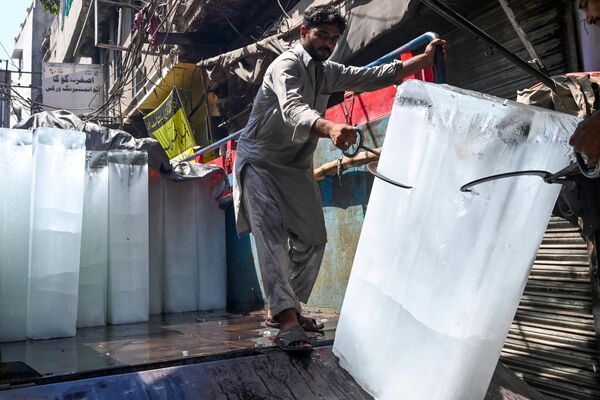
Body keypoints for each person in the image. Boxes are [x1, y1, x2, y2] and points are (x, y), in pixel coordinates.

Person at [233, 4, 446, 352]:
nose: (327, 43)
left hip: (294, 165)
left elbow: (367, 76)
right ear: (304, 33)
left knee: (314, 238)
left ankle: (286, 306)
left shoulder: (326, 70)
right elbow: (293, 109)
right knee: (271, 237)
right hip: (260, 162)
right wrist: (330, 126)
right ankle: (287, 318)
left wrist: (420, 62)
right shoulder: (285, 65)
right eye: (321, 35)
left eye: (333, 38)